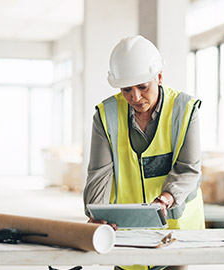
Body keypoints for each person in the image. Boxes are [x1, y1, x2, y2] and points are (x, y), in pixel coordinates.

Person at [83, 35, 205, 270]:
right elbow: (99, 174)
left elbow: (189, 169)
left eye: (143, 87)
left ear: (158, 77)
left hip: (177, 233)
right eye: (127, 89)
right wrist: (95, 213)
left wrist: (166, 200)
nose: (135, 97)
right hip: (127, 234)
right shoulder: (105, 116)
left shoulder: (185, 110)